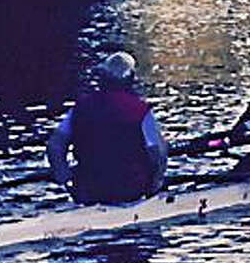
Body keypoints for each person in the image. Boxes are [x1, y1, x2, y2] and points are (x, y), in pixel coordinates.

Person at [47, 51, 168, 204]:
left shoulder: (79, 108)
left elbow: (55, 146)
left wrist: (65, 179)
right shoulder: (141, 111)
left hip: (88, 191)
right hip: (131, 190)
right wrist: (155, 184)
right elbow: (158, 154)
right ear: (130, 79)